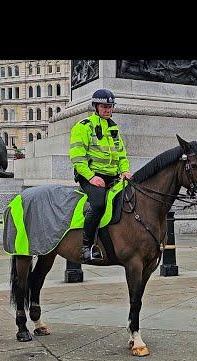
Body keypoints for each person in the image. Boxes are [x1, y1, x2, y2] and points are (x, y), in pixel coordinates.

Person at [69, 89, 132, 263]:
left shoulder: (113, 128)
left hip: (113, 176)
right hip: (91, 176)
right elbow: (77, 157)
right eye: (104, 106)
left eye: (110, 107)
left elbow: (122, 154)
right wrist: (90, 177)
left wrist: (125, 170)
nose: (108, 110)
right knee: (97, 204)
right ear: (96, 107)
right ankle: (86, 247)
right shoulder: (83, 126)